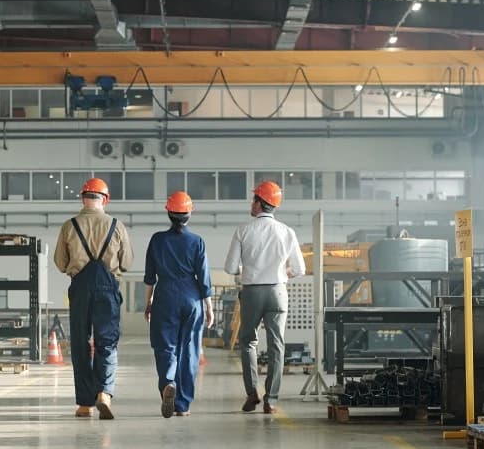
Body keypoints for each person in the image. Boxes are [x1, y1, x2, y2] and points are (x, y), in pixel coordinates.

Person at [53, 177, 133, 420]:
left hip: (80, 289)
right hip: (107, 289)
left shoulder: (69, 226)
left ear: (82, 198)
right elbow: (127, 262)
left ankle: (85, 404)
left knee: (80, 344)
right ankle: (104, 394)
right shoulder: (117, 225)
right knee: (106, 342)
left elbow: (60, 263)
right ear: (105, 199)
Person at [224, 180, 305, 415]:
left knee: (248, 342)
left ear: (260, 203)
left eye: (254, 199)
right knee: (276, 346)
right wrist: (281, 273)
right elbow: (299, 269)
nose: (252, 203)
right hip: (278, 291)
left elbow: (230, 268)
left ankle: (252, 394)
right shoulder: (287, 231)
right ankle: (272, 399)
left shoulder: (243, 230)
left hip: (252, 292)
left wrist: (249, 269)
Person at [143, 191, 214, 419]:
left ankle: (167, 383)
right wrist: (209, 306)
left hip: (165, 295)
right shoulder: (197, 242)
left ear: (169, 212)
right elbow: (203, 277)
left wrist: (148, 302)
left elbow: (150, 276)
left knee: (165, 347)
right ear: (189, 213)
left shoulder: (157, 240)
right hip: (192, 297)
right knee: (190, 351)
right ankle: (182, 405)